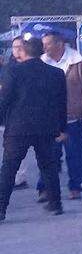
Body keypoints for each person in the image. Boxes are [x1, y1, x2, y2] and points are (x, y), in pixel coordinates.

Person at [0, 37, 67, 221]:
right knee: (48, 165)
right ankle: (56, 204)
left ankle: (1, 208)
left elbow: (5, 99)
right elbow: (61, 103)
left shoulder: (13, 71)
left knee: (9, 168)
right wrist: (62, 127)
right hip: (46, 127)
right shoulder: (56, 73)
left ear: (24, 51)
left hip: (18, 127)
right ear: (42, 51)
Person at [38, 31, 82, 201]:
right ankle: (44, 188)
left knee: (76, 156)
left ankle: (75, 187)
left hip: (73, 118)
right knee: (48, 156)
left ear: (60, 44)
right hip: (49, 120)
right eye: (43, 43)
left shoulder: (78, 62)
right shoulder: (42, 63)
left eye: (48, 43)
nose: (44, 47)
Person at [2, 36, 34, 189]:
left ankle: (20, 178)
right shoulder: (10, 65)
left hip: (26, 116)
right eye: (14, 47)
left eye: (19, 47)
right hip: (10, 115)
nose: (16, 50)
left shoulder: (34, 64)